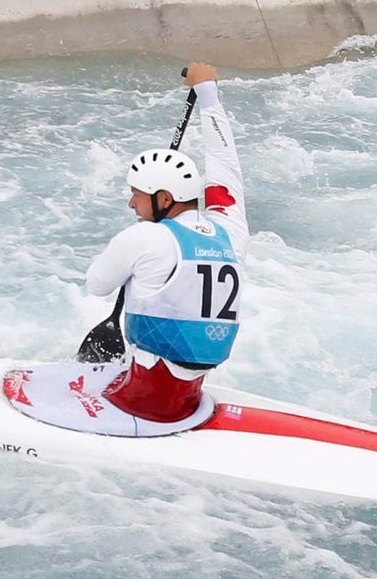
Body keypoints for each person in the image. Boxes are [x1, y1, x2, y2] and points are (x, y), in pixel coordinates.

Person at [80, 62, 250, 424]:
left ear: (165, 199)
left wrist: (129, 261)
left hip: (141, 403)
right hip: (189, 399)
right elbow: (225, 166)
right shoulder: (229, 231)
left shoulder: (146, 237)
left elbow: (97, 284)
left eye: (136, 195)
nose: (131, 204)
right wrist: (208, 94)